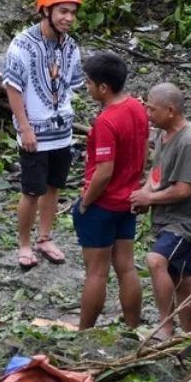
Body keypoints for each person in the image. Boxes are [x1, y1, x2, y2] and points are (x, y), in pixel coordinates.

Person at [2, 0, 85, 270]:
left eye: (72, 13)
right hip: (34, 132)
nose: (68, 18)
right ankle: (24, 244)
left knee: (54, 187)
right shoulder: (22, 44)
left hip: (62, 131)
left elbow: (73, 85)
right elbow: (13, 88)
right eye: (63, 11)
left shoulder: (71, 46)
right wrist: (24, 128)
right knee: (31, 191)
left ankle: (45, 237)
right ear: (45, 10)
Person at [72, 51, 148, 330]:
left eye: (89, 83)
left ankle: (85, 332)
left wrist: (85, 202)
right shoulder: (138, 109)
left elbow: (104, 172)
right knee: (127, 267)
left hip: (103, 204)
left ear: (103, 87)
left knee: (96, 273)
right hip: (127, 201)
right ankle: (132, 328)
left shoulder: (106, 121)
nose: (87, 87)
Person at [130, 82, 191, 338]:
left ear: (171, 110)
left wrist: (150, 199)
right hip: (167, 219)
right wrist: (144, 194)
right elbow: (157, 175)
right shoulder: (163, 136)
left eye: (152, 110)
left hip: (185, 223)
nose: (148, 115)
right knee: (182, 280)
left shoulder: (188, 142)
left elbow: (183, 190)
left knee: (155, 261)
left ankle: (166, 325)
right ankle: (190, 333)